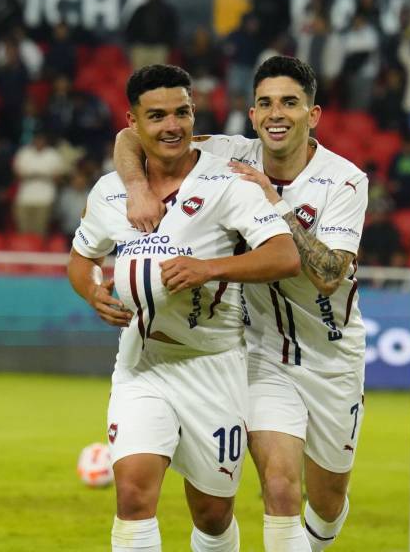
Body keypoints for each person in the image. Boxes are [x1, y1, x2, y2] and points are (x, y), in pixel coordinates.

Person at [115, 56, 368, 551]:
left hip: (331, 355)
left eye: (290, 103)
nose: (277, 114)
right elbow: (131, 137)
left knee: (328, 499)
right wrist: (137, 187)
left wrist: (274, 204)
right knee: (278, 487)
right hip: (257, 351)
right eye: (266, 104)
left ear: (312, 115)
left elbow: (330, 276)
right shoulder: (232, 152)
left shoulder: (345, 180)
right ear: (251, 115)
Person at [68, 64, 299, 551]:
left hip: (213, 364)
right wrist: (92, 292)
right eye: (156, 116)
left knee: (213, 514)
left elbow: (285, 254)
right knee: (132, 494)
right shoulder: (111, 192)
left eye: (181, 112)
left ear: (194, 113)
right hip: (141, 362)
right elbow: (81, 258)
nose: (171, 125)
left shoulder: (229, 183)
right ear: (133, 123)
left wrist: (210, 269)